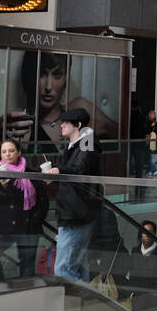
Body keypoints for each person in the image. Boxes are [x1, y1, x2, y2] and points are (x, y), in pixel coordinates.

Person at [0, 51, 118, 150]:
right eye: (42, 74)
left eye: (57, 75)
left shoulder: (80, 109)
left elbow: (124, 136)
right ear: (29, 75)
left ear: (66, 77)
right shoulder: (21, 126)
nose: (49, 87)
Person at [43, 109, 102, 281]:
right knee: (75, 266)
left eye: (66, 122)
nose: (61, 125)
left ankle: (76, 303)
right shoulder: (77, 145)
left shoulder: (87, 144)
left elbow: (79, 170)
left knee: (63, 269)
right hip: (75, 210)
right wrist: (56, 170)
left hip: (78, 212)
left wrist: (59, 169)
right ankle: (84, 303)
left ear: (78, 125)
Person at [0, 139, 48, 281]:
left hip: (28, 227)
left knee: (27, 267)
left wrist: (36, 219)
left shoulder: (30, 173)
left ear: (19, 152)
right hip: (3, 227)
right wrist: (2, 187)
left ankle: (24, 295)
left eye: (11, 150)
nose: (7, 154)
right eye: (4, 152)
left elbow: (43, 200)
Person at [144, 109, 157, 178]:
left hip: (153, 141)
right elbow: (146, 131)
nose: (154, 115)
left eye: (154, 113)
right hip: (149, 140)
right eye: (152, 113)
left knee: (151, 156)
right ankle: (152, 170)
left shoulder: (155, 123)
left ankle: (151, 170)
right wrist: (151, 126)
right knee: (150, 156)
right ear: (149, 115)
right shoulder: (147, 122)